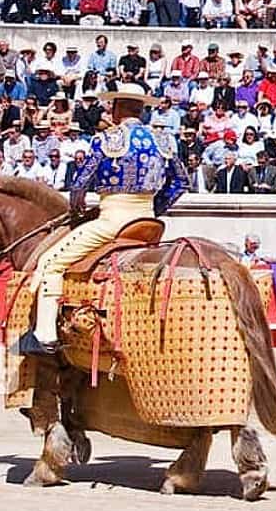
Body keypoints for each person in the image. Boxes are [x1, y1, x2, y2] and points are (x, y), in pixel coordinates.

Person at [19, 84, 190, 356]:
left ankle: (45, 335)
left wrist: (76, 210)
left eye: (113, 106)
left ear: (119, 107)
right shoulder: (164, 140)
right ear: (142, 109)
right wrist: (154, 210)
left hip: (112, 220)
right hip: (147, 221)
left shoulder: (106, 139)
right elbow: (180, 183)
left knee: (51, 262)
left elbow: (80, 183)